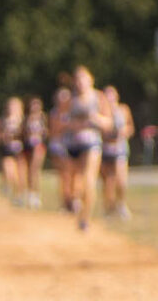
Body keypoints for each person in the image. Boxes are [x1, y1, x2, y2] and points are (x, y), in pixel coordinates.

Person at [63, 66, 110, 232]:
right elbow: (62, 122)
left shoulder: (98, 98)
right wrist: (74, 124)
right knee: (74, 182)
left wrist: (95, 119)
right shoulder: (70, 100)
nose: (80, 82)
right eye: (77, 79)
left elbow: (108, 123)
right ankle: (76, 205)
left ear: (91, 80)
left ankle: (85, 217)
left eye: (83, 78)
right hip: (73, 143)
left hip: (92, 143)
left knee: (89, 179)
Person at [100, 86, 135, 220]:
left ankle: (121, 204)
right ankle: (109, 207)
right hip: (106, 149)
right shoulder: (102, 112)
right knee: (108, 181)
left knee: (121, 180)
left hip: (120, 148)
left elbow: (131, 127)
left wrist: (124, 131)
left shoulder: (123, 109)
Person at [0, 97, 27, 204]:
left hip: (21, 151)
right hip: (7, 150)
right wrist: (4, 137)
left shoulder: (24, 121)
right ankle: (9, 186)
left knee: (20, 174)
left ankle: (19, 194)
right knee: (9, 170)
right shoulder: (2, 120)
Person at [47, 82, 73, 212]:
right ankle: (65, 201)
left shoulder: (73, 112)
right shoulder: (54, 113)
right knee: (63, 175)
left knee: (72, 175)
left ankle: (72, 200)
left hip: (71, 145)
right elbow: (53, 131)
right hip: (58, 147)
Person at [23, 96, 47, 208]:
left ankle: (36, 193)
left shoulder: (43, 117)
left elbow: (48, 131)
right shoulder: (26, 118)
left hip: (39, 145)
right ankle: (30, 192)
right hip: (28, 145)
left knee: (35, 169)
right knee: (28, 170)